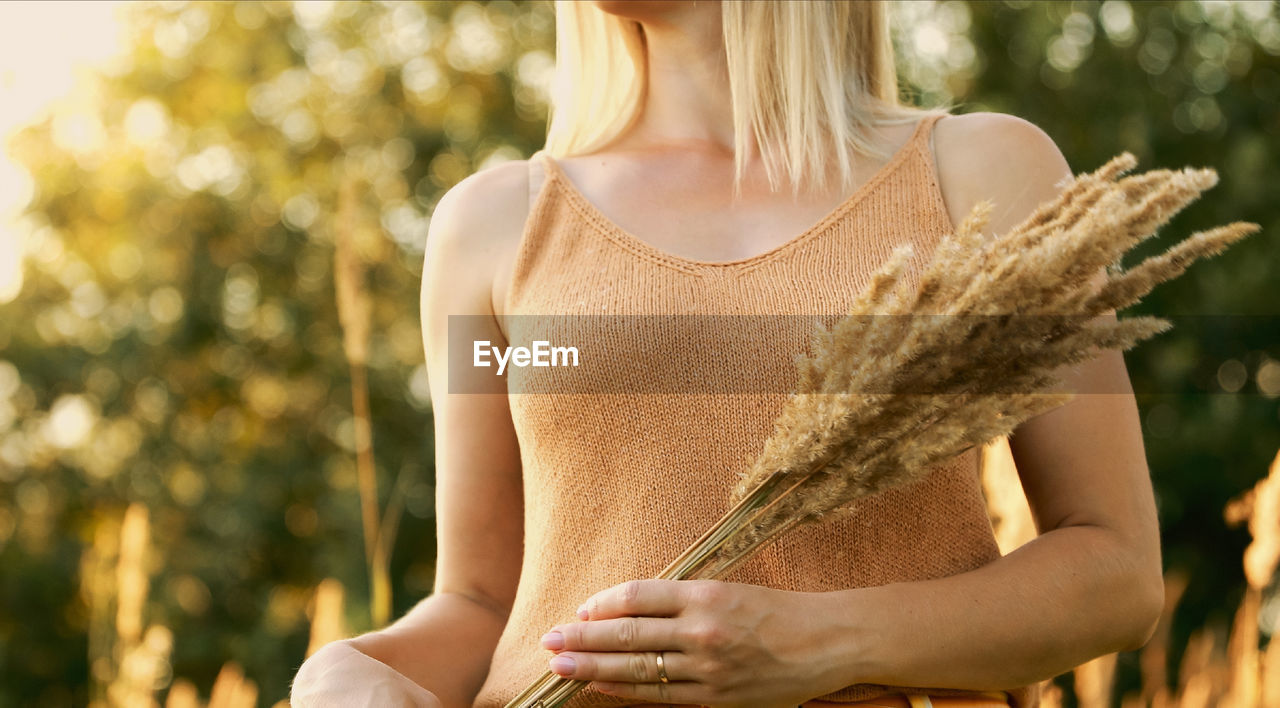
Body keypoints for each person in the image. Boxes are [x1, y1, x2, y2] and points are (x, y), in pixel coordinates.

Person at [290, 2, 1164, 707]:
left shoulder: (984, 176)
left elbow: (1116, 572)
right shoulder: (490, 227)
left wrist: (825, 644)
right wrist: (360, 670)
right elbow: (481, 601)